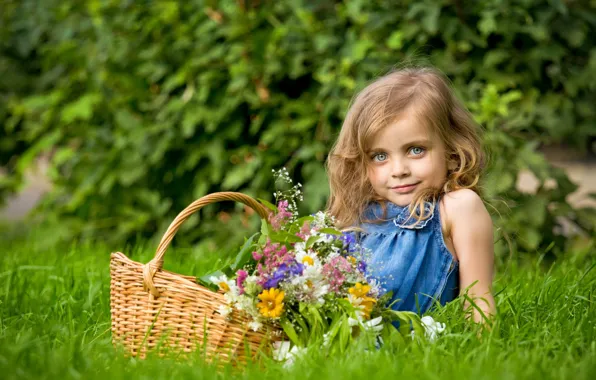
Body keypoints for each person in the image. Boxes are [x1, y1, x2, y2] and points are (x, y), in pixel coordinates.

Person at [326, 66, 496, 324]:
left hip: (413, 346)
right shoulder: (360, 215)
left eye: (416, 150)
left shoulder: (457, 208)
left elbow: (477, 297)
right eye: (380, 156)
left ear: (451, 152)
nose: (399, 171)